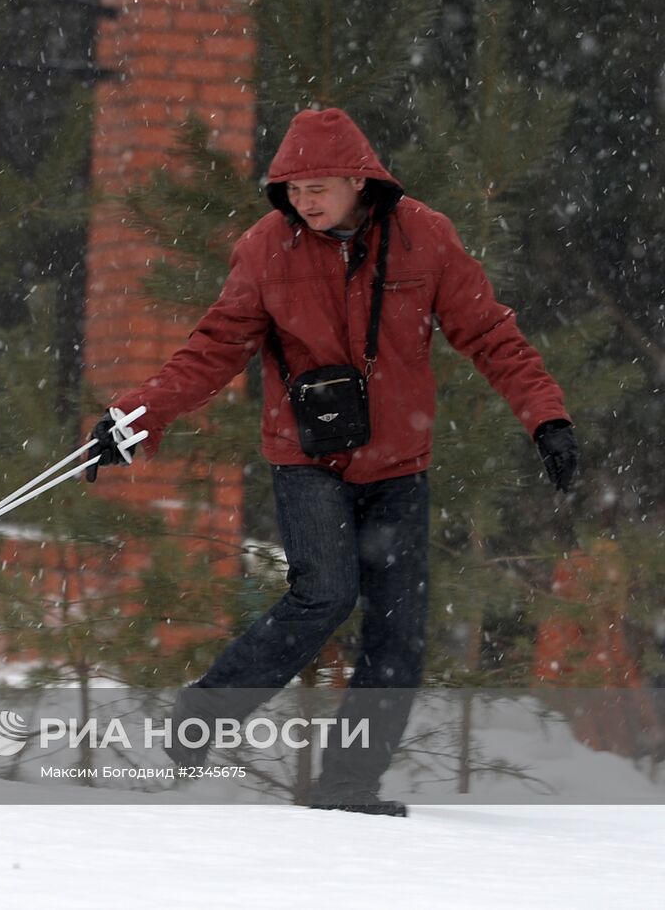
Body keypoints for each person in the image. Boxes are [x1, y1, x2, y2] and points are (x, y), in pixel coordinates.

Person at [86, 107, 579, 815]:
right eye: (291, 187)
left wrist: (547, 417)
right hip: (308, 457)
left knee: (398, 637)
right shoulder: (265, 248)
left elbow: (491, 334)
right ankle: (204, 712)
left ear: (359, 178)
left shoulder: (426, 238)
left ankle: (347, 791)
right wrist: (135, 417)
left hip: (399, 464)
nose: (303, 200)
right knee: (325, 594)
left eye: (317, 186)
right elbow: (214, 348)